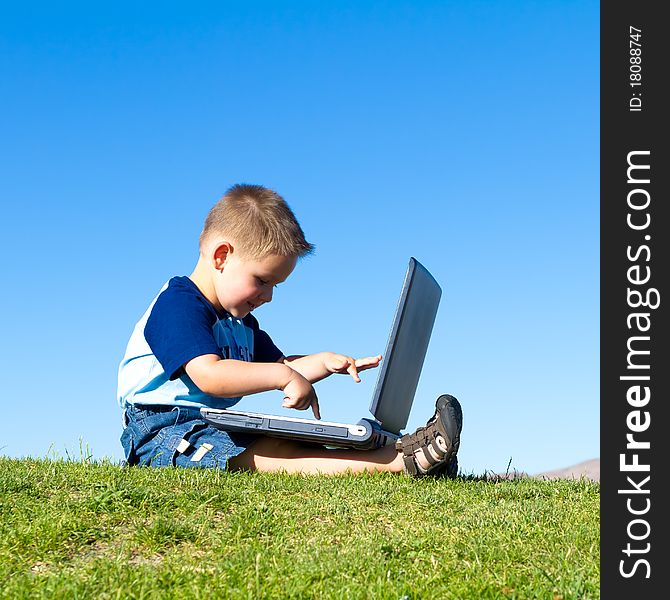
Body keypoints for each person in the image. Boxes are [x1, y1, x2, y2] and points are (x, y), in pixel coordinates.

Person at [117, 184, 462, 477]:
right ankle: (398, 462)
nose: (267, 296)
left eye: (275, 286)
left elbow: (283, 367)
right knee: (264, 455)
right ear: (221, 256)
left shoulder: (240, 324)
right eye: (262, 281)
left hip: (213, 422)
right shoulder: (178, 305)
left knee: (294, 441)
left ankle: (407, 452)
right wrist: (283, 377)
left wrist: (324, 362)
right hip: (162, 430)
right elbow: (210, 375)